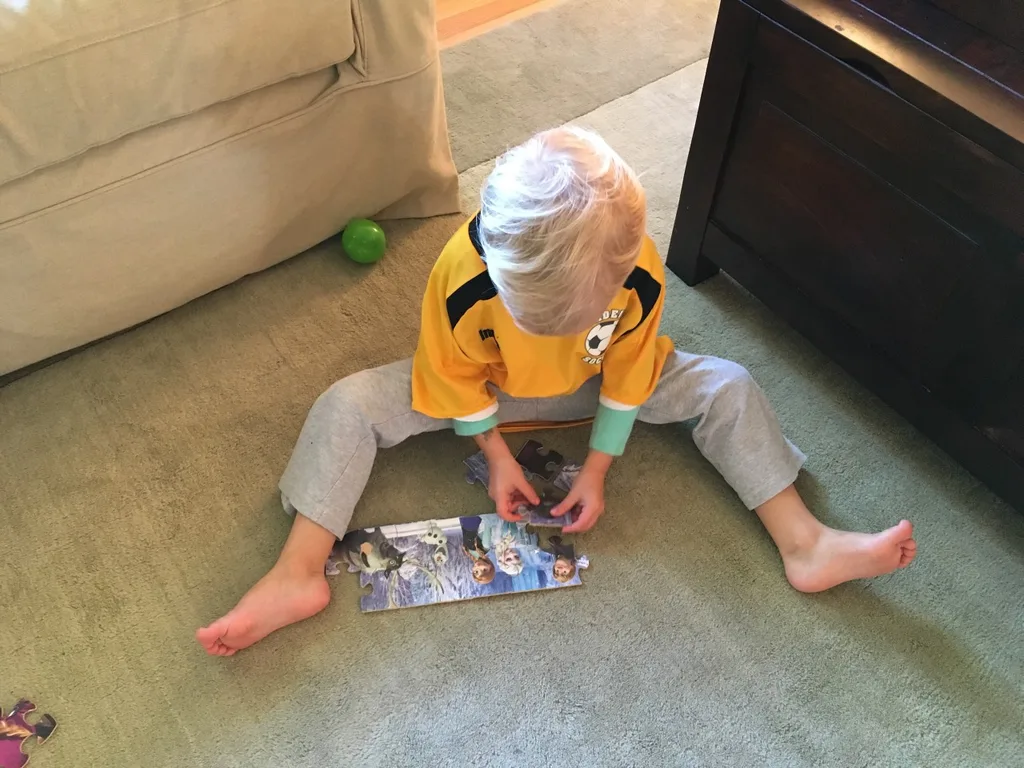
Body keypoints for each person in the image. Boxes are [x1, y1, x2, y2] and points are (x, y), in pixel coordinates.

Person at [196, 126, 917, 656]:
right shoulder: (460, 275)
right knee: (345, 403)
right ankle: (297, 571)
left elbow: (632, 369)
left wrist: (598, 467)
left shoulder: (638, 269)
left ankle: (804, 541)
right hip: (486, 390)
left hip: (598, 384)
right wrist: (495, 453)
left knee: (728, 384)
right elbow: (449, 373)